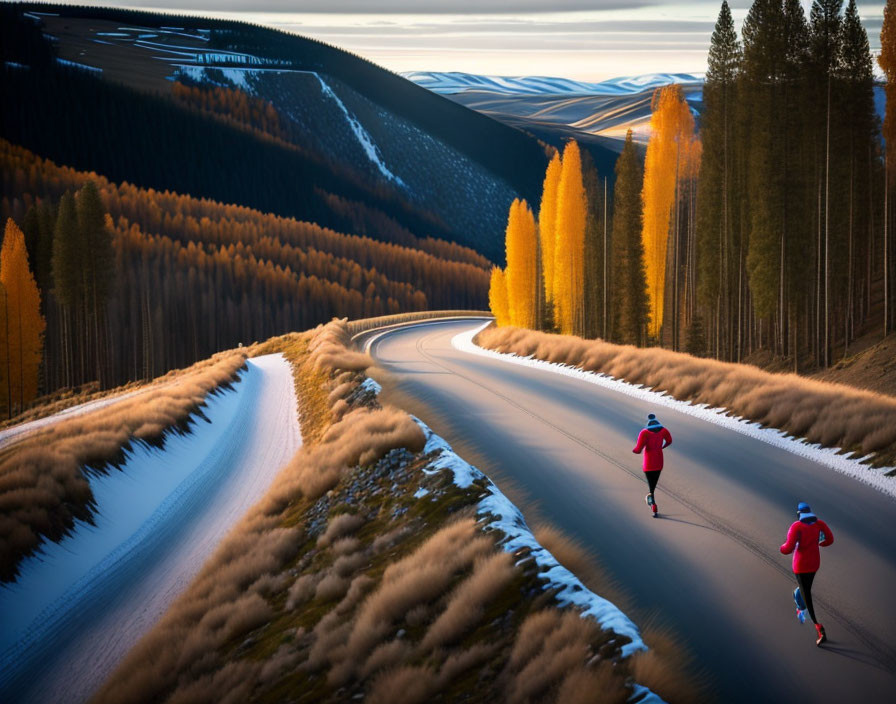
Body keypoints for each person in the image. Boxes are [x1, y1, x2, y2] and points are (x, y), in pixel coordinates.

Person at [780, 502, 834, 646]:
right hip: (814, 564)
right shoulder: (819, 524)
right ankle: (799, 601)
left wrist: (782, 547)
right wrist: (819, 544)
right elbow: (830, 539)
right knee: (805, 588)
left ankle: (817, 626)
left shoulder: (796, 526)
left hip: (801, 565)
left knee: (805, 594)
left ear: (799, 514)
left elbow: (787, 548)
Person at [632, 413, 672, 517]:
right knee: (653, 484)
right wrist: (661, 447)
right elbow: (669, 441)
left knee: (651, 485)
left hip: (648, 462)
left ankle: (653, 504)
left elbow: (638, 449)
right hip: (659, 461)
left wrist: (634, 450)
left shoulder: (644, 432)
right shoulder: (664, 430)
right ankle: (651, 500)